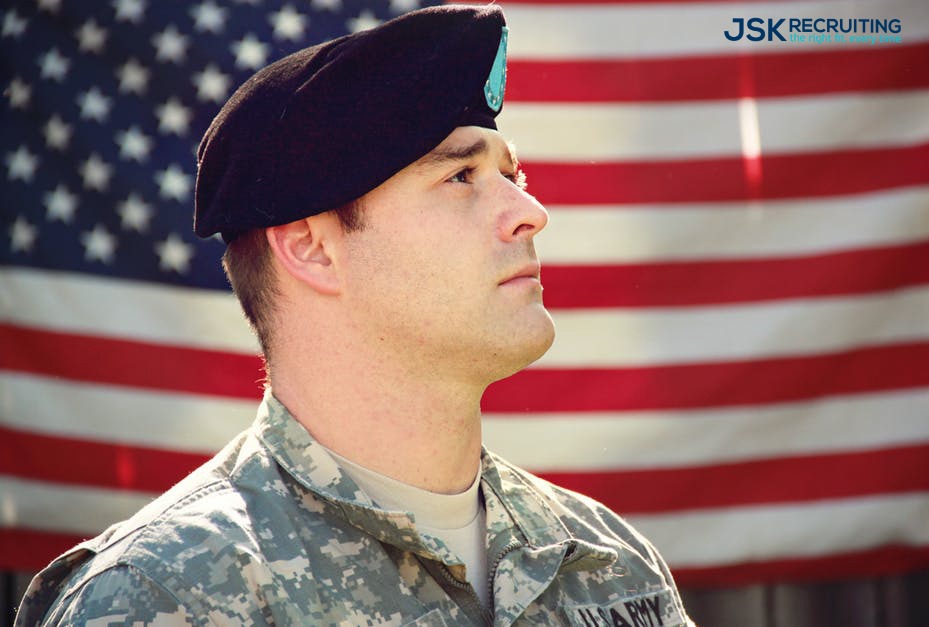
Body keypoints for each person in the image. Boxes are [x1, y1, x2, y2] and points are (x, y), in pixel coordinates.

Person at [16, 5, 695, 626]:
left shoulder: (610, 566)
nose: (530, 212)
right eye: (460, 177)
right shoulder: (168, 596)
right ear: (312, 249)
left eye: (511, 177)